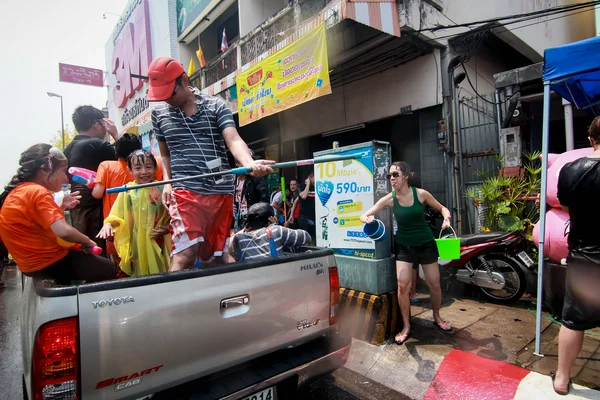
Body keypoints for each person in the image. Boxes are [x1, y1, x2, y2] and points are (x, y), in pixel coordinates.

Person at [147, 56, 272, 270]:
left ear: (184, 81)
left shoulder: (216, 105)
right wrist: (168, 182)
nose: (166, 99)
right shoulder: (159, 115)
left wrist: (249, 163)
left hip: (220, 192)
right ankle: (175, 303)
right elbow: (165, 154)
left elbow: (232, 139)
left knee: (215, 258)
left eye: (170, 93)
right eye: (161, 95)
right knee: (184, 255)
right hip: (185, 192)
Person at [360, 161, 452, 345]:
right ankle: (406, 327)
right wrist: (367, 218)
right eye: (390, 175)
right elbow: (364, 214)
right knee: (403, 286)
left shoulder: (420, 194)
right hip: (404, 245)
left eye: (395, 175)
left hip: (426, 243)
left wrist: (446, 219)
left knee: (434, 284)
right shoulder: (390, 198)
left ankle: (437, 316)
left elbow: (442, 208)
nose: (391, 179)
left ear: (405, 176)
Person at [0, 144, 116, 285]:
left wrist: (60, 208)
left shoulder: (18, 192)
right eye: (62, 171)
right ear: (45, 169)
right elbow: (64, 232)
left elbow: (40, 227)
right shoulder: (38, 192)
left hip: (29, 266)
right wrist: (86, 240)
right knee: (109, 268)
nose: (66, 178)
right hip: (50, 262)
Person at [553, 117, 600, 395]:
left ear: (590, 139)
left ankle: (561, 378)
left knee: (574, 319)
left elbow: (565, 201)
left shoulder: (571, 170)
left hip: (583, 256)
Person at [97, 150, 171, 277]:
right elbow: (117, 215)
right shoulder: (127, 192)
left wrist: (168, 228)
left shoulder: (163, 188)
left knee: (163, 271)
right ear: (130, 170)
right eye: (138, 168)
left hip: (160, 241)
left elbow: (174, 214)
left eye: (148, 167)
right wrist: (108, 224)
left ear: (155, 168)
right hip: (136, 243)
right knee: (140, 274)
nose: (144, 172)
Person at [64, 106, 119, 254]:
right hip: (97, 207)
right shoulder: (99, 145)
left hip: (77, 206)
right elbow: (131, 159)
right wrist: (115, 133)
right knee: (101, 248)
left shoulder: (68, 148)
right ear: (96, 124)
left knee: (87, 249)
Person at [229, 202, 311, 261]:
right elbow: (306, 237)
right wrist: (275, 225)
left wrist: (245, 228)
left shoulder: (238, 239)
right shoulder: (275, 231)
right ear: (270, 219)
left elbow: (229, 246)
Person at [233, 151, 270, 231]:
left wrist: (256, 218)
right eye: (244, 162)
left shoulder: (257, 179)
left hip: (253, 220)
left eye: (249, 162)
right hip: (238, 220)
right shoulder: (233, 181)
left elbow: (264, 200)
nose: (247, 165)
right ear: (237, 164)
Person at [296, 173, 316, 243]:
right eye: (314, 179)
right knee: (305, 239)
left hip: (314, 217)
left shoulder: (316, 186)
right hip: (304, 217)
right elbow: (303, 196)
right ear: (310, 177)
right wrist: (308, 184)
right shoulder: (301, 186)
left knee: (314, 238)